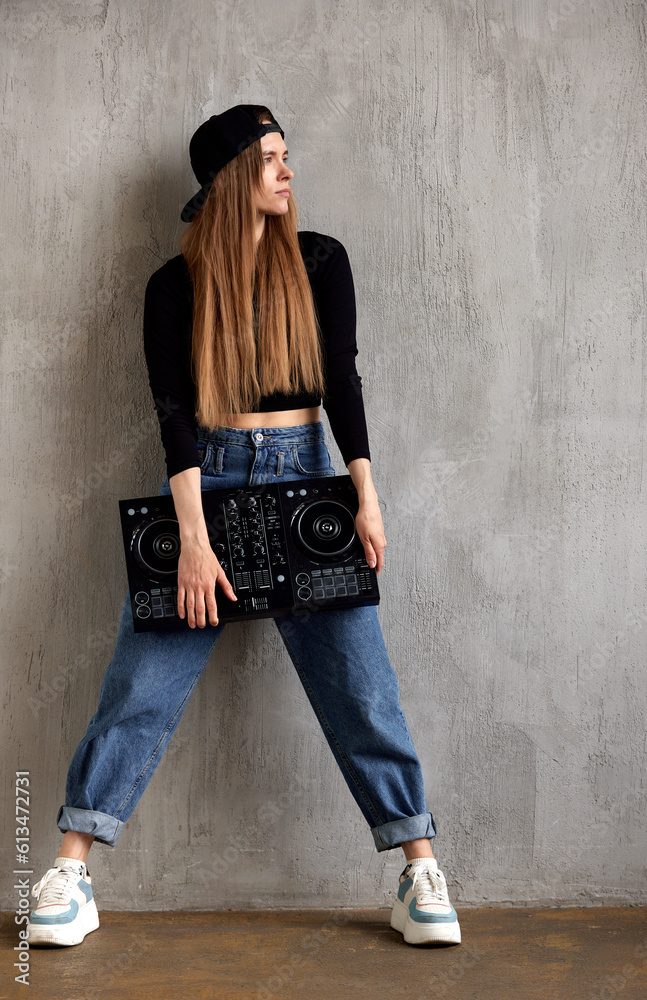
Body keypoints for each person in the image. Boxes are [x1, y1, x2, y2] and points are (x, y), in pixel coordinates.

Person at [27, 105, 461, 949]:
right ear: (230, 178)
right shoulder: (173, 286)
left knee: (361, 684)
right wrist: (192, 539)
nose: (287, 171)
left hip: (308, 477)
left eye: (286, 155)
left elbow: (342, 380)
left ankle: (419, 872)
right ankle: (71, 874)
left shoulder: (320, 260)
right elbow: (173, 417)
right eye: (269, 158)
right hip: (207, 482)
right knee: (139, 686)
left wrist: (365, 494)